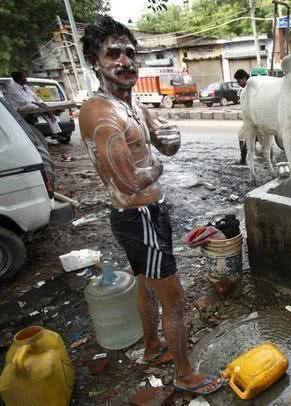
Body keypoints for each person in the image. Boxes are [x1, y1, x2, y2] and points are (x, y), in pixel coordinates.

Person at [79, 16, 221, 395]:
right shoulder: (101, 113)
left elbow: (164, 142)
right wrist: (156, 164)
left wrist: (168, 138)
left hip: (143, 214)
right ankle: (185, 374)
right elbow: (126, 180)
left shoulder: (130, 103)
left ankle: (153, 345)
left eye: (130, 53)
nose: (125, 61)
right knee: (174, 299)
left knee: (145, 282)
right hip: (137, 216)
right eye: (113, 54)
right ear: (95, 60)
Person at [6, 71, 62, 144]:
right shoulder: (12, 88)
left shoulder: (25, 87)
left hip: (32, 105)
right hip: (20, 107)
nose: (26, 79)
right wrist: (41, 106)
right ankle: (48, 112)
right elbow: (24, 101)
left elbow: (35, 97)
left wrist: (42, 103)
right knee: (34, 106)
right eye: (24, 77)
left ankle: (55, 133)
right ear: (19, 79)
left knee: (47, 110)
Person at [234, 69, 250, 165]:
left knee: (265, 141)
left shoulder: (251, 86)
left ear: (244, 78)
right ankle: (243, 160)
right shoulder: (245, 89)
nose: (238, 83)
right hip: (249, 121)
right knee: (242, 136)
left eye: (238, 81)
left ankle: (243, 160)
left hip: (257, 119)